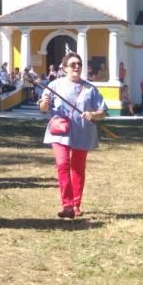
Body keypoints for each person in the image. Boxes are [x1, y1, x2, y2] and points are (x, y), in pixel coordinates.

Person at [39, 52, 107, 219]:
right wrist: (45, 104)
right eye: (73, 64)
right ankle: (67, 205)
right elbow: (43, 108)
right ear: (64, 68)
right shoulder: (54, 85)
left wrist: (93, 114)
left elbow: (103, 112)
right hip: (60, 131)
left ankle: (76, 204)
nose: (76, 67)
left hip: (82, 130)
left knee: (77, 168)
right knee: (62, 164)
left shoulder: (90, 88)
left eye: (79, 64)